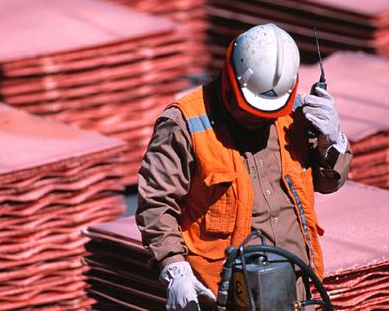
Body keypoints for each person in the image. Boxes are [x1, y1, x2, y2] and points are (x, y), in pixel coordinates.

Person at [135, 23, 352, 311]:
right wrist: (173, 265)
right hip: (224, 295)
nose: (257, 120)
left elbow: (328, 183)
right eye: (249, 111)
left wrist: (333, 142)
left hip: (295, 288)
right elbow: (156, 203)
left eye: (266, 114)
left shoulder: (295, 115)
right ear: (231, 80)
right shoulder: (184, 123)